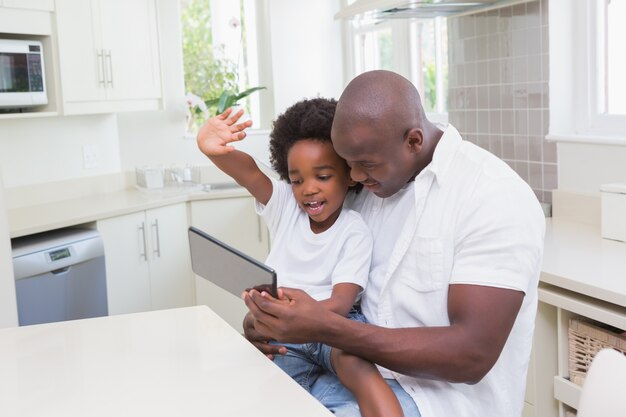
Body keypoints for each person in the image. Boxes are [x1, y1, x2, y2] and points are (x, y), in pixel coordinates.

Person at [243, 70, 546, 417]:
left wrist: (326, 327)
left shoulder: (492, 196)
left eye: (365, 165)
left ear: (414, 141)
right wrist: (272, 326)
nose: (355, 177)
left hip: (437, 400)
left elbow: (471, 355)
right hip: (342, 371)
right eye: (348, 165)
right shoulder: (372, 185)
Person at [196, 98, 404, 417]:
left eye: (322, 176)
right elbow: (249, 173)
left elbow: (341, 302)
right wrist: (211, 149)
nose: (307, 189)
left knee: (358, 369)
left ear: (349, 175)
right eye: (297, 180)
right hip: (286, 333)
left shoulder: (354, 229)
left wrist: (300, 320)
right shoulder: (286, 209)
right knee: (264, 388)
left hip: (335, 326)